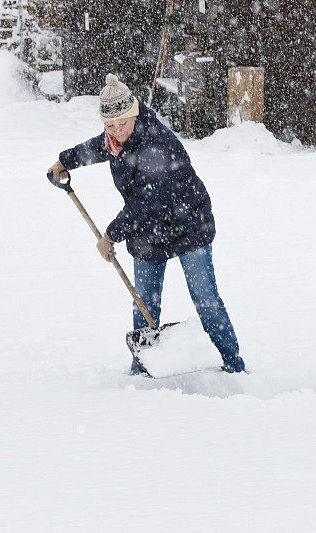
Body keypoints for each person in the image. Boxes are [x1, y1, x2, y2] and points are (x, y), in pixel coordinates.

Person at [48, 74, 246, 374]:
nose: (117, 130)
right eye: (109, 125)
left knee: (205, 298)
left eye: (122, 123)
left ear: (134, 113)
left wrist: (110, 237)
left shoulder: (157, 143)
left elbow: (146, 202)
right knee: (144, 302)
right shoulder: (114, 140)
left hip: (188, 222)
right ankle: (142, 370)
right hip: (149, 233)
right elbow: (95, 148)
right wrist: (65, 160)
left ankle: (233, 364)